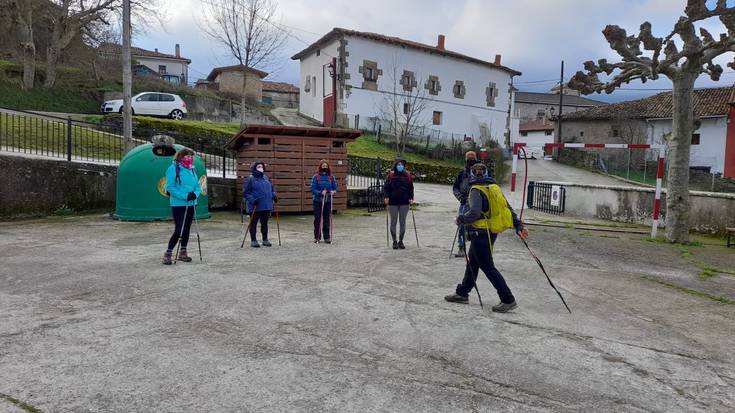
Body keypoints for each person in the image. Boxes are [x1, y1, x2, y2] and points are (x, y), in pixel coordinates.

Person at [444, 162, 529, 313]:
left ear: (471, 175)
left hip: (479, 233)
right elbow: (507, 208)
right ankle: (462, 293)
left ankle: (508, 299)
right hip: (491, 231)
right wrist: (518, 225)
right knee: (473, 263)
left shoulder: (475, 190)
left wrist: (460, 219)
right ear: (486, 174)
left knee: (487, 266)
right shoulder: (494, 187)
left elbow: (475, 213)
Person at [163, 148, 202, 265]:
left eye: (190, 156)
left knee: (186, 229)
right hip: (178, 204)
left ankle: (183, 252)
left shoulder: (192, 169)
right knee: (179, 229)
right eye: (186, 156)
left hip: (191, 203)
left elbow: (198, 185)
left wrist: (195, 194)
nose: (188, 158)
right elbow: (170, 187)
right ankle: (168, 253)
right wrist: (185, 196)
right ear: (179, 156)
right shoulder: (173, 169)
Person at [243, 160, 277, 248]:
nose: (260, 168)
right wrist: (252, 200)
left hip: (266, 205)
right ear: (254, 168)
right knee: (253, 224)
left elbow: (272, 189)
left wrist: (274, 195)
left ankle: (265, 239)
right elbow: (246, 193)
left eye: (261, 166)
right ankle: (253, 240)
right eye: (258, 167)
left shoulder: (266, 178)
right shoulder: (250, 179)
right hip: (255, 206)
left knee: (264, 223)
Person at [452, 151, 480, 258]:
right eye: (468, 158)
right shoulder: (461, 173)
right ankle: (461, 248)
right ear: (465, 159)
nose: (470, 160)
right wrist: (460, 197)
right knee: (461, 225)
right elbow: (455, 188)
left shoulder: (481, 171)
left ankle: (476, 249)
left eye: (472, 158)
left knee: (477, 226)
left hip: (477, 203)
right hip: (464, 203)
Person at [383, 157, 414, 249]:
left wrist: (411, 198)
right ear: (395, 165)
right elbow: (386, 188)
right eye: (398, 164)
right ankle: (394, 241)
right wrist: (386, 197)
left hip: (404, 202)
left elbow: (411, 188)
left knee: (402, 222)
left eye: (402, 165)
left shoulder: (408, 175)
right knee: (393, 221)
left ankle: (401, 241)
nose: (400, 166)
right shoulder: (391, 175)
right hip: (393, 202)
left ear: (404, 166)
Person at [311, 159, 337, 243]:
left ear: (328, 167)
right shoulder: (316, 177)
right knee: (317, 219)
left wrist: (333, 191)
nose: (324, 167)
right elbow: (312, 189)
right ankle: (317, 237)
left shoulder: (331, 177)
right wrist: (320, 192)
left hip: (328, 201)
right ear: (320, 167)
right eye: (323, 166)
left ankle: (327, 237)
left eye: (326, 166)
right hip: (318, 201)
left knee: (326, 219)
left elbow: (335, 187)